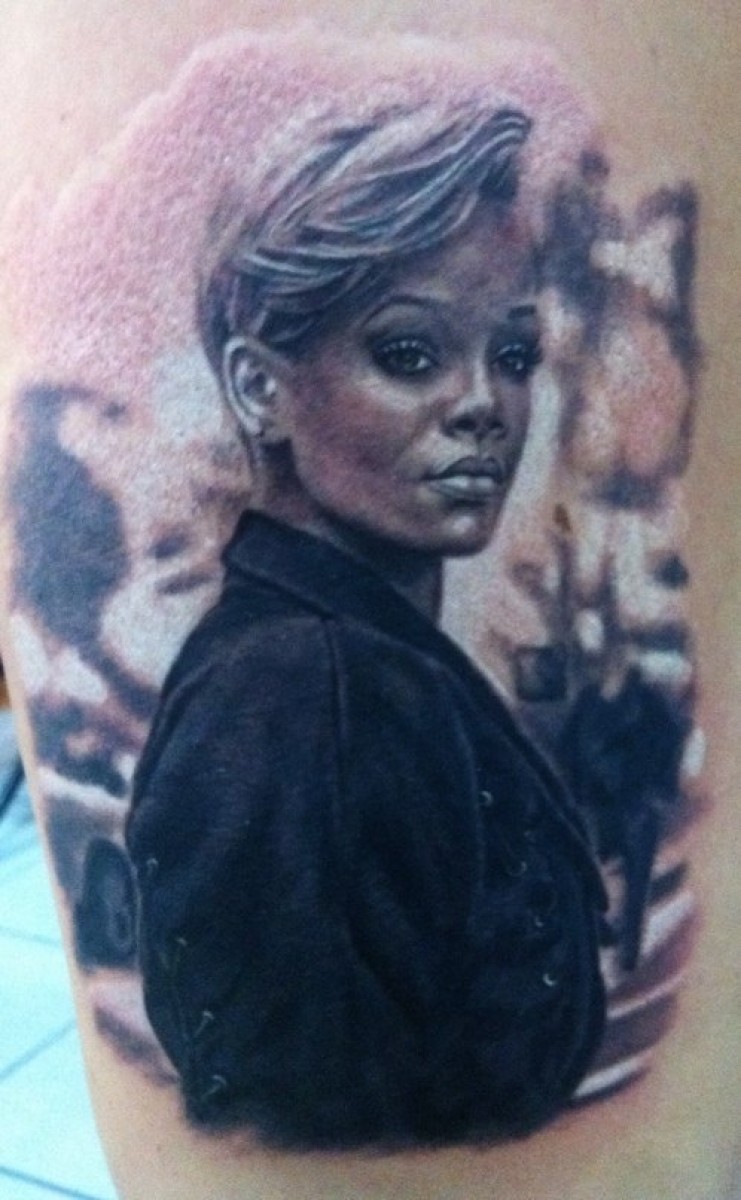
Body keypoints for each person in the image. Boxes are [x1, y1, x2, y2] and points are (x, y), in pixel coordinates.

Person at [125, 102, 607, 1149]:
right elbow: (288, 1132)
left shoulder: (352, 665)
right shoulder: (303, 690)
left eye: (513, 354)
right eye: (409, 353)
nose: (484, 405)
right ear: (258, 387)